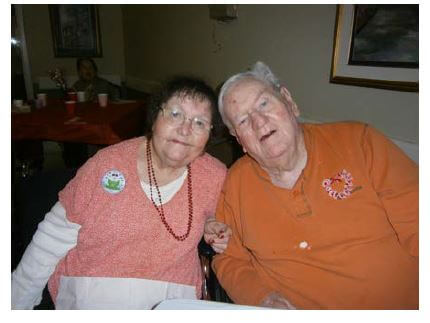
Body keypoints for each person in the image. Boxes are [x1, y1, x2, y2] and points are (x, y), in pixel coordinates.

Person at [211, 61, 418, 309]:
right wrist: (262, 298)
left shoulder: (360, 142)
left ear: (289, 101)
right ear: (239, 140)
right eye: (243, 121)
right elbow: (229, 259)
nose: (259, 122)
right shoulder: (236, 183)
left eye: (264, 103)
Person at [12, 76, 231, 309]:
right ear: (155, 117)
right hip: (93, 294)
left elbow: (227, 222)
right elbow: (52, 237)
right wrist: (15, 303)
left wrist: (212, 223)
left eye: (199, 122)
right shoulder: (106, 164)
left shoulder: (214, 175)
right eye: (175, 114)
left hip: (170, 298)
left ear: (210, 135)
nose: (185, 129)